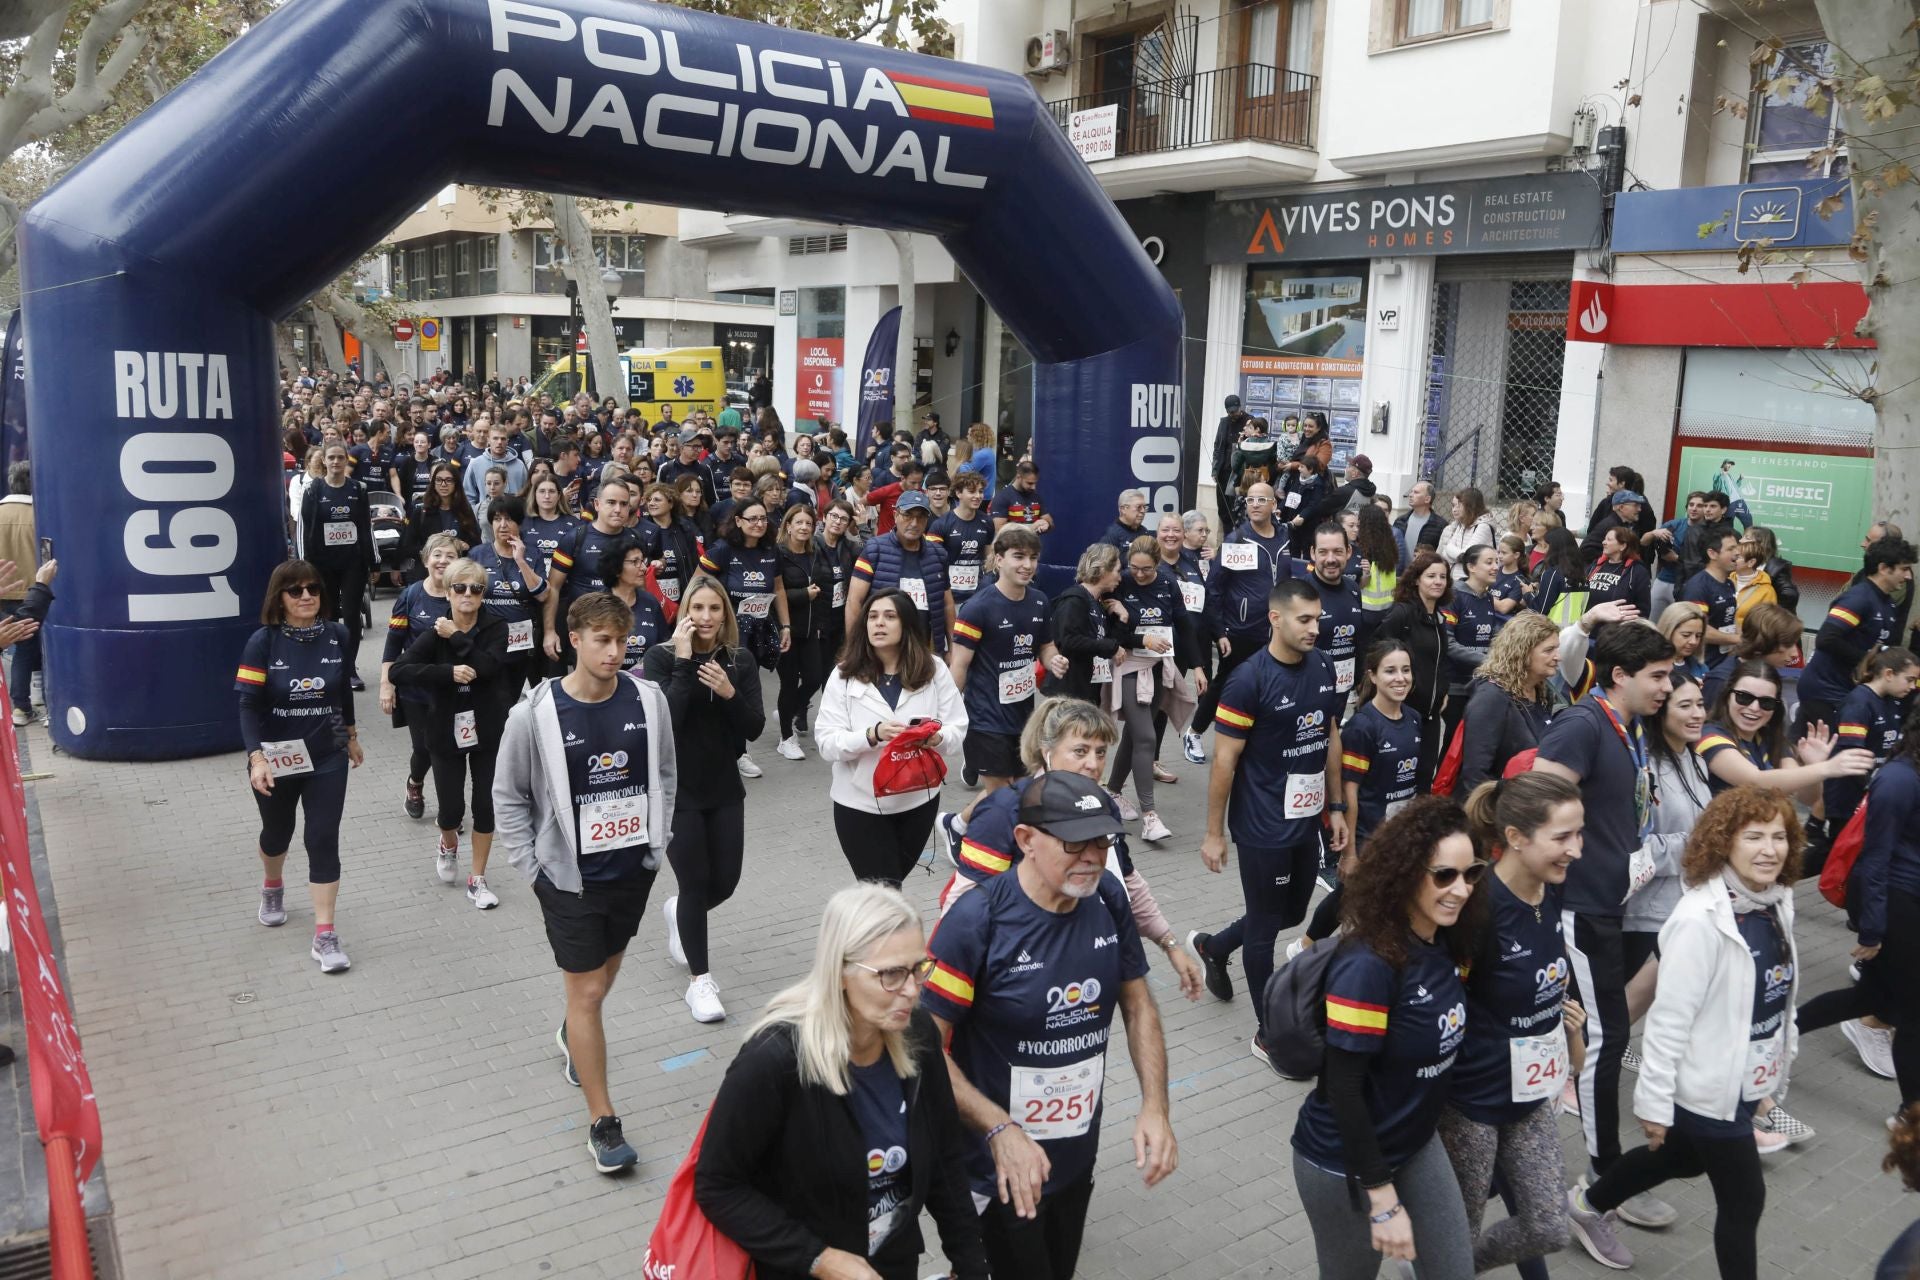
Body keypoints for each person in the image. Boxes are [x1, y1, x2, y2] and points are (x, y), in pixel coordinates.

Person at [919, 767, 1176, 1280]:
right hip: (998, 1170)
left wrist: (1155, 1106)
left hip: (1075, 1157)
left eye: (1102, 841)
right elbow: (924, 1049)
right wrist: (999, 1129)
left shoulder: (1105, 897)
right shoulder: (975, 923)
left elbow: (1138, 1003)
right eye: (1074, 842)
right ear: (1025, 840)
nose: (1092, 856)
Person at [1566, 786, 1803, 1279]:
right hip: (1705, 1087)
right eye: (1754, 837)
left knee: (1684, 1158)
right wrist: (1653, 1102)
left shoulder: (1774, 902)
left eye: (1779, 837)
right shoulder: (1699, 920)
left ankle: (1588, 1202)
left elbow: (1778, 996)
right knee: (1745, 1200)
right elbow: (1667, 1023)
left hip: (1740, 1080)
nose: (1769, 849)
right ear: (1724, 843)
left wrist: (1776, 1064)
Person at [696, 883, 989, 1280]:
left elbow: (944, 1161)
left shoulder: (916, 1035)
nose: (911, 990)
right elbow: (718, 1185)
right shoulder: (774, 1060)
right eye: (891, 974)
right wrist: (820, 1259)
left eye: (919, 968)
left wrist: (973, 1267)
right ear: (840, 973)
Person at [495, 591, 676, 1175]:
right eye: (603, 640)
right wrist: (533, 868)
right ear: (574, 639)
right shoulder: (535, 713)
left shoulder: (649, 701)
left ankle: (574, 1033)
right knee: (590, 993)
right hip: (569, 882)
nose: (615, 652)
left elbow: (665, 774)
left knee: (603, 978)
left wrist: (658, 841)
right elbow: (509, 797)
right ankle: (603, 1122)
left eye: (622, 641)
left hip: (632, 873)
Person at [1291, 797, 1479, 1280]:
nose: (1460, 889)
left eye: (1470, 874)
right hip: (1345, 1162)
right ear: (1407, 873)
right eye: (1444, 876)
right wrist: (1381, 1197)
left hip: (1414, 1144)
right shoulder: (1368, 965)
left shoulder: (1443, 941)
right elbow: (1343, 1089)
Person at [1534, 621, 1677, 1219]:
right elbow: (1536, 808)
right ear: (1619, 675)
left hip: (1613, 901)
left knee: (1602, 1030)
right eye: (1659, 676)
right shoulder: (1582, 724)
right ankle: (1603, 1179)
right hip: (1582, 907)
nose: (1668, 687)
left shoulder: (1631, 726)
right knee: (1606, 1035)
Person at [1439, 773, 1585, 1275]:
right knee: (1460, 1228)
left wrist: (1570, 1028)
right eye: (1562, 837)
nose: (1576, 850)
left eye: (1578, 834)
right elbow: (1438, 1008)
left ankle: (1441, 1268)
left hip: (1530, 1097)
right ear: (1517, 838)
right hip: (1472, 1104)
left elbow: (1551, 971)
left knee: (1547, 1225)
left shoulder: (1553, 890)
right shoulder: (1473, 909)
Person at [1195, 578, 1348, 1054]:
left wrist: (1337, 807)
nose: (1314, 628)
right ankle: (1269, 1033)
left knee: (1294, 913)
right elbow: (1224, 762)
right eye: (1305, 619)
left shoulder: (1323, 666)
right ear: (1275, 618)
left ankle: (1215, 947)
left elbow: (1329, 737)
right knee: (1264, 928)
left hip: (1305, 820)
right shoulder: (1248, 679)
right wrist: (1213, 834)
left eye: (1318, 618)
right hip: (1260, 825)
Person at [642, 576, 764, 1023]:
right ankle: (701, 983)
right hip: (678, 790)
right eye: (698, 609)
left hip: (724, 786)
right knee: (694, 884)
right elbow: (666, 721)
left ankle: (679, 913)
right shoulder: (660, 656)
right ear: (684, 613)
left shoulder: (740, 659)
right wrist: (683, 664)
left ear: (725, 615)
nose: (706, 618)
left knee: (725, 882)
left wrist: (729, 692)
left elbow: (752, 728)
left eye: (715, 609)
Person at [236, 561, 363, 973]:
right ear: (280, 598)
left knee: (322, 838)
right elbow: (247, 705)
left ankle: (325, 934)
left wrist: (351, 738)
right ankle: (273, 885)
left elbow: (340, 692)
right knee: (278, 833)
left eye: (313, 588)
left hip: (328, 756)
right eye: (296, 591)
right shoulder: (262, 642)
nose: (306, 596)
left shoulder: (338, 635)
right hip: (275, 758)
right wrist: (256, 758)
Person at [1800, 704, 1920, 1105]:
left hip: (1908, 902)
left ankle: (1764, 1032)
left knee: (1871, 999)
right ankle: (1911, 1118)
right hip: (1897, 905)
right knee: (1912, 1014)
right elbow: (1874, 861)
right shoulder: (1899, 779)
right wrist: (1872, 929)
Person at [815, 589, 967, 887]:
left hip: (918, 803)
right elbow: (826, 743)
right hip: (860, 807)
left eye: (889, 616)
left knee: (887, 890)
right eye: (872, 617)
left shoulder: (933, 669)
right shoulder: (844, 675)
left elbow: (957, 728)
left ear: (907, 624)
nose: (878, 623)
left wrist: (935, 738)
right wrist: (871, 735)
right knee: (884, 891)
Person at [389, 557, 512, 906]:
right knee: (451, 811)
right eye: (460, 588)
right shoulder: (434, 633)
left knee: (485, 806)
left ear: (483, 593)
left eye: (476, 588)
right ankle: (448, 844)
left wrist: (457, 637)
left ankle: (478, 878)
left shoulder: (495, 627)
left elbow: (488, 667)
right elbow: (400, 671)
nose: (468, 594)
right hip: (445, 727)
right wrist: (447, 674)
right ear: (448, 591)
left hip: (487, 726)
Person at [942, 526, 1064, 850]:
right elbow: (960, 666)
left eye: (1033, 558)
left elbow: (1046, 647)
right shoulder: (978, 607)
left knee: (1023, 786)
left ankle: (957, 823)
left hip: (1024, 717)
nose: (1027, 565)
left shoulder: (1039, 602)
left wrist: (1054, 662)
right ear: (999, 559)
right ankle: (993, 847)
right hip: (985, 717)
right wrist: (948, 715)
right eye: (1018, 557)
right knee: (1001, 792)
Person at [1107, 536, 1189, 842]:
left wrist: (1198, 666)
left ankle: (1113, 793)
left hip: (1157, 668)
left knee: (1134, 736)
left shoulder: (1168, 584)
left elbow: (1184, 623)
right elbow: (1113, 632)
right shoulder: (1120, 583)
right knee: (1146, 737)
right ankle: (1150, 817)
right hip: (1128, 668)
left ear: (1157, 565)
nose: (1139, 575)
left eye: (1146, 569)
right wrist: (1119, 611)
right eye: (1134, 568)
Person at [1195, 481, 1292, 733]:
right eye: (1250, 500)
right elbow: (1214, 588)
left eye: (1261, 500)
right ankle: (1194, 732)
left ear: (1274, 504)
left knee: (1268, 683)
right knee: (1226, 681)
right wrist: (1220, 632)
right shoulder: (1237, 539)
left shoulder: (1284, 538)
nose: (1255, 505)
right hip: (1240, 630)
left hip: (1274, 629)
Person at [1797, 536, 1918, 738]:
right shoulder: (1858, 598)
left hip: (1848, 691)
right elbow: (1827, 638)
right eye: (1903, 569)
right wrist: (1867, 660)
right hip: (1825, 692)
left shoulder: (1888, 604)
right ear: (1884, 568)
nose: (1907, 576)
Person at [1696, 659, 1872, 797]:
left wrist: (1813, 765)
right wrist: (1826, 768)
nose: (1754, 708)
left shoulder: (1771, 738)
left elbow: (1806, 797)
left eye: (1766, 702)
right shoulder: (1709, 736)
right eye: (1744, 697)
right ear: (1727, 696)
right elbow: (1755, 781)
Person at [382, 531, 460, 818]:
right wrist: (386, 685)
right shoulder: (410, 595)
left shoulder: (463, 593)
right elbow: (392, 643)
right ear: (426, 559)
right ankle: (415, 782)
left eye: (450, 556)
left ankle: (449, 814)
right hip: (415, 689)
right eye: (437, 555)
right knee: (425, 749)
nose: (442, 561)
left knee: (448, 750)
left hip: (452, 687)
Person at [1456, 612, 1561, 794]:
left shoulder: (1542, 690)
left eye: (1557, 648)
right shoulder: (1490, 698)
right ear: (1522, 652)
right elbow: (1475, 777)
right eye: (1548, 650)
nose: (1558, 656)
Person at [299, 442, 377, 690]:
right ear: (324, 461)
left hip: (352, 562)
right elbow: (303, 530)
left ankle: (350, 668)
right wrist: (304, 565)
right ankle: (330, 664)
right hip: (323, 563)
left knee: (352, 614)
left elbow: (366, 526)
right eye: (331, 458)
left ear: (346, 461)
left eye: (339, 458)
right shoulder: (313, 489)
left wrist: (373, 561)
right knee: (329, 614)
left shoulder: (358, 489)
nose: (335, 462)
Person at [542, 475, 634, 673]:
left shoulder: (636, 541)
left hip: (621, 631)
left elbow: (640, 588)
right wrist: (550, 631)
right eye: (611, 502)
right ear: (597, 504)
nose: (618, 509)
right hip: (584, 632)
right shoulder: (575, 538)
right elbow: (554, 587)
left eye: (623, 504)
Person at [1375, 550, 1453, 787]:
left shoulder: (1439, 618)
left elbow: (1439, 660)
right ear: (1417, 579)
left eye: (1442, 577)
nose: (1438, 582)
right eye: (1431, 576)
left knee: (1423, 777)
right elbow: (1377, 651)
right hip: (1403, 711)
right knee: (1395, 779)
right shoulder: (1403, 613)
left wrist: (1443, 690)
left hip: (1430, 716)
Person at [845, 490, 954, 656]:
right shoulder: (875, 550)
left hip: (926, 649)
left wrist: (952, 648)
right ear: (896, 515)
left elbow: (947, 604)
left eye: (921, 517)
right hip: (882, 650)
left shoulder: (938, 555)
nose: (914, 523)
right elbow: (854, 601)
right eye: (908, 515)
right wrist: (854, 649)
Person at [773, 504, 836, 760]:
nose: (803, 527)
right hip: (785, 630)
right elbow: (774, 593)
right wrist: (803, 595)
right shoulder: (779, 554)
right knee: (788, 684)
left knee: (814, 678)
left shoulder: (814, 552)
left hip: (811, 629)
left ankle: (791, 708)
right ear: (788, 525)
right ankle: (786, 737)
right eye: (798, 522)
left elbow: (822, 587)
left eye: (808, 523)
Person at [468, 494, 547, 693]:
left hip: (521, 640)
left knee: (512, 695)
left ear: (519, 523)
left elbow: (542, 595)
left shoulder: (533, 554)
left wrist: (520, 560)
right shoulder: (477, 554)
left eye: (509, 519)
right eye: (497, 519)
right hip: (486, 640)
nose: (503, 525)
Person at [1045, 541, 1130, 706]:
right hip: (1068, 693)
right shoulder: (1074, 600)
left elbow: (1108, 643)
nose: (1120, 578)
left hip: (1089, 691)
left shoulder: (1097, 603)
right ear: (1103, 569)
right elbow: (1068, 641)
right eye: (1117, 571)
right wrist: (1111, 647)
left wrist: (1123, 619)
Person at [596, 529, 669, 671]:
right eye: (635, 562)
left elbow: (664, 647)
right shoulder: (596, 605)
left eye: (643, 561)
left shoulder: (651, 602)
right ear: (616, 567)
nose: (643, 568)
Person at [928, 470, 993, 610]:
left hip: (978, 597)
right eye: (972, 491)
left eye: (981, 492)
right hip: (950, 597)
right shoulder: (940, 525)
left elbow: (989, 559)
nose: (978, 496)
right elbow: (932, 563)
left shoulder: (987, 522)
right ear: (958, 493)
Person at [1682, 527, 1741, 662]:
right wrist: (1737, 639)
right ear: (1712, 554)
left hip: (1724, 659)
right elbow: (1698, 628)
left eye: (1737, 548)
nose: (1737, 553)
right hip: (1703, 663)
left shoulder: (1729, 583)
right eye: (1731, 549)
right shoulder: (1698, 586)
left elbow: (1730, 617)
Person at [408, 461, 482, 561]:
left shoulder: (465, 510)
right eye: (439, 480)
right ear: (433, 483)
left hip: (458, 570)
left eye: (449, 480)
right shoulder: (421, 512)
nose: (443, 484)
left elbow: (477, 544)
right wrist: (436, 549)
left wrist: (466, 546)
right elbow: (408, 547)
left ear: (456, 483)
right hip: (429, 569)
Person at [1587, 525, 1652, 620]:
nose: (1603, 542)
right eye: (1605, 539)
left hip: (1616, 631)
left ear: (1623, 546)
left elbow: (1642, 610)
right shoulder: (1595, 565)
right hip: (1589, 628)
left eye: (1609, 540)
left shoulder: (1637, 571)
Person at [1437, 487, 1497, 582]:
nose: (1456, 509)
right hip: (1454, 579)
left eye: (1459, 505)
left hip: (1470, 581)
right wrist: (1458, 556)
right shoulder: (1462, 524)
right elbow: (1445, 551)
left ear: (1469, 506)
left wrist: (1456, 554)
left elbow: (1467, 556)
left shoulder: (1483, 527)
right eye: (1454, 505)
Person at [988, 460, 1053, 535]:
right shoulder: (1002, 497)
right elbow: (999, 529)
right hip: (1012, 545)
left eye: (1035, 483)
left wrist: (1046, 524)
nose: (1033, 487)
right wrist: (1031, 527)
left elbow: (1050, 523)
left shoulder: (1036, 497)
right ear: (1019, 477)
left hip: (1032, 545)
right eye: (1030, 483)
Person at [1746, 525, 1798, 615]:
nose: (1740, 541)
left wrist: (1769, 614)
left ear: (1760, 543)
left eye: (1746, 538)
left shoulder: (1777, 567)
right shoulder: (1742, 563)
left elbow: (1789, 594)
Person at [1394, 479, 1444, 566]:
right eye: (1411, 492)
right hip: (1400, 573)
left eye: (1416, 492)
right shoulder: (1400, 521)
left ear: (1427, 499)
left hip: (1423, 573)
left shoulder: (1440, 525)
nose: (1410, 495)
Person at [1658, 599, 1710, 683]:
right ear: (1669, 631)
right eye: (1686, 635)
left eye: (1698, 636)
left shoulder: (1702, 669)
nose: (1693, 641)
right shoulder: (1653, 668)